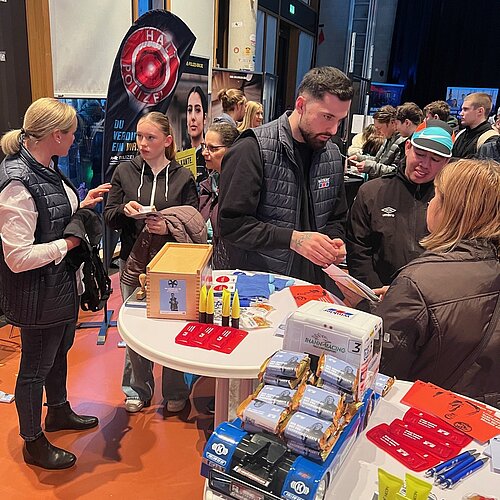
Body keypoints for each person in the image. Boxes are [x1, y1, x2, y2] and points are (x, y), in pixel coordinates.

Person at [0, 97, 111, 470]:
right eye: (72, 134)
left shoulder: (46, 166)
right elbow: (16, 257)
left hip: (58, 287)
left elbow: (51, 212)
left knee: (58, 353)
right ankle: (32, 442)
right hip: (36, 294)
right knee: (34, 369)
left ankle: (59, 411)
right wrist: (69, 243)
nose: (76, 140)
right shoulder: (17, 182)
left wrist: (82, 203)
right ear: (54, 135)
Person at [376, 159, 500, 408]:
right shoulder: (423, 285)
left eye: (437, 194)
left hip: (426, 421)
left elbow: (380, 373)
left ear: (453, 209)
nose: (431, 202)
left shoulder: (419, 282)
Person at [219, 66, 352, 288]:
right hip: (259, 286)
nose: (333, 129)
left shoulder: (332, 155)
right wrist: (293, 239)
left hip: (314, 286)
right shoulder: (252, 148)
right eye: (327, 117)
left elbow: (336, 217)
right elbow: (232, 225)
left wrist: (334, 241)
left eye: (340, 120)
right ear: (301, 105)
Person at [104, 111, 198, 414]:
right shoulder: (125, 172)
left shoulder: (184, 177)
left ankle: (175, 389)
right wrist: (124, 210)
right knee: (135, 330)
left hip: (174, 265)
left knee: (173, 327)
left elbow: (195, 221)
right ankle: (137, 389)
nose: (142, 143)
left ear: (167, 141)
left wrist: (168, 227)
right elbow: (108, 215)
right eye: (139, 137)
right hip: (134, 262)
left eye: (150, 138)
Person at [346, 119, 453, 288]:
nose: (424, 164)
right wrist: (374, 291)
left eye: (435, 159)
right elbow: (358, 250)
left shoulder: (452, 200)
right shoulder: (371, 192)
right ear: (408, 147)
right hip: (377, 295)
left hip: (431, 298)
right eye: (420, 154)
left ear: (446, 162)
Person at [199, 122, 239, 269]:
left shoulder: (240, 188)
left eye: (213, 148)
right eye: (204, 146)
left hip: (232, 269)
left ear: (232, 150)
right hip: (207, 265)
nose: (204, 152)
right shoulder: (207, 186)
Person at [348, 105, 406, 178]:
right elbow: (378, 160)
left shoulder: (402, 142)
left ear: (392, 123)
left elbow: (395, 171)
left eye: (379, 128)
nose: (378, 132)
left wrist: (369, 167)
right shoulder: (388, 139)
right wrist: (358, 158)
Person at [452, 92, 498, 158]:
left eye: (465, 109)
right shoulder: (460, 134)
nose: (461, 113)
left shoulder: (491, 140)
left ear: (480, 111)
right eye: (462, 109)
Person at [186, 86, 209, 185]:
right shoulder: (179, 154)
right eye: (189, 110)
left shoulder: (209, 154)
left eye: (198, 110)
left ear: (205, 118)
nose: (193, 117)